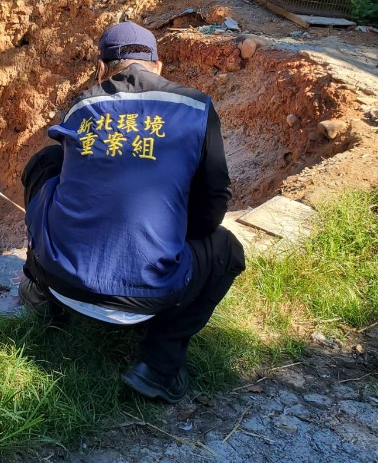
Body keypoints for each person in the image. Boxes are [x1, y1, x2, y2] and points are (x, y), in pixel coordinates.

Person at [20, 20, 245, 403]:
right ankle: (158, 367)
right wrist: (170, 233)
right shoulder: (196, 109)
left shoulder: (83, 105)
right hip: (150, 297)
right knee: (225, 249)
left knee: (46, 162)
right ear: (157, 66)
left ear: (101, 67)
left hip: (64, 280)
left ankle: (40, 291)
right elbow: (213, 202)